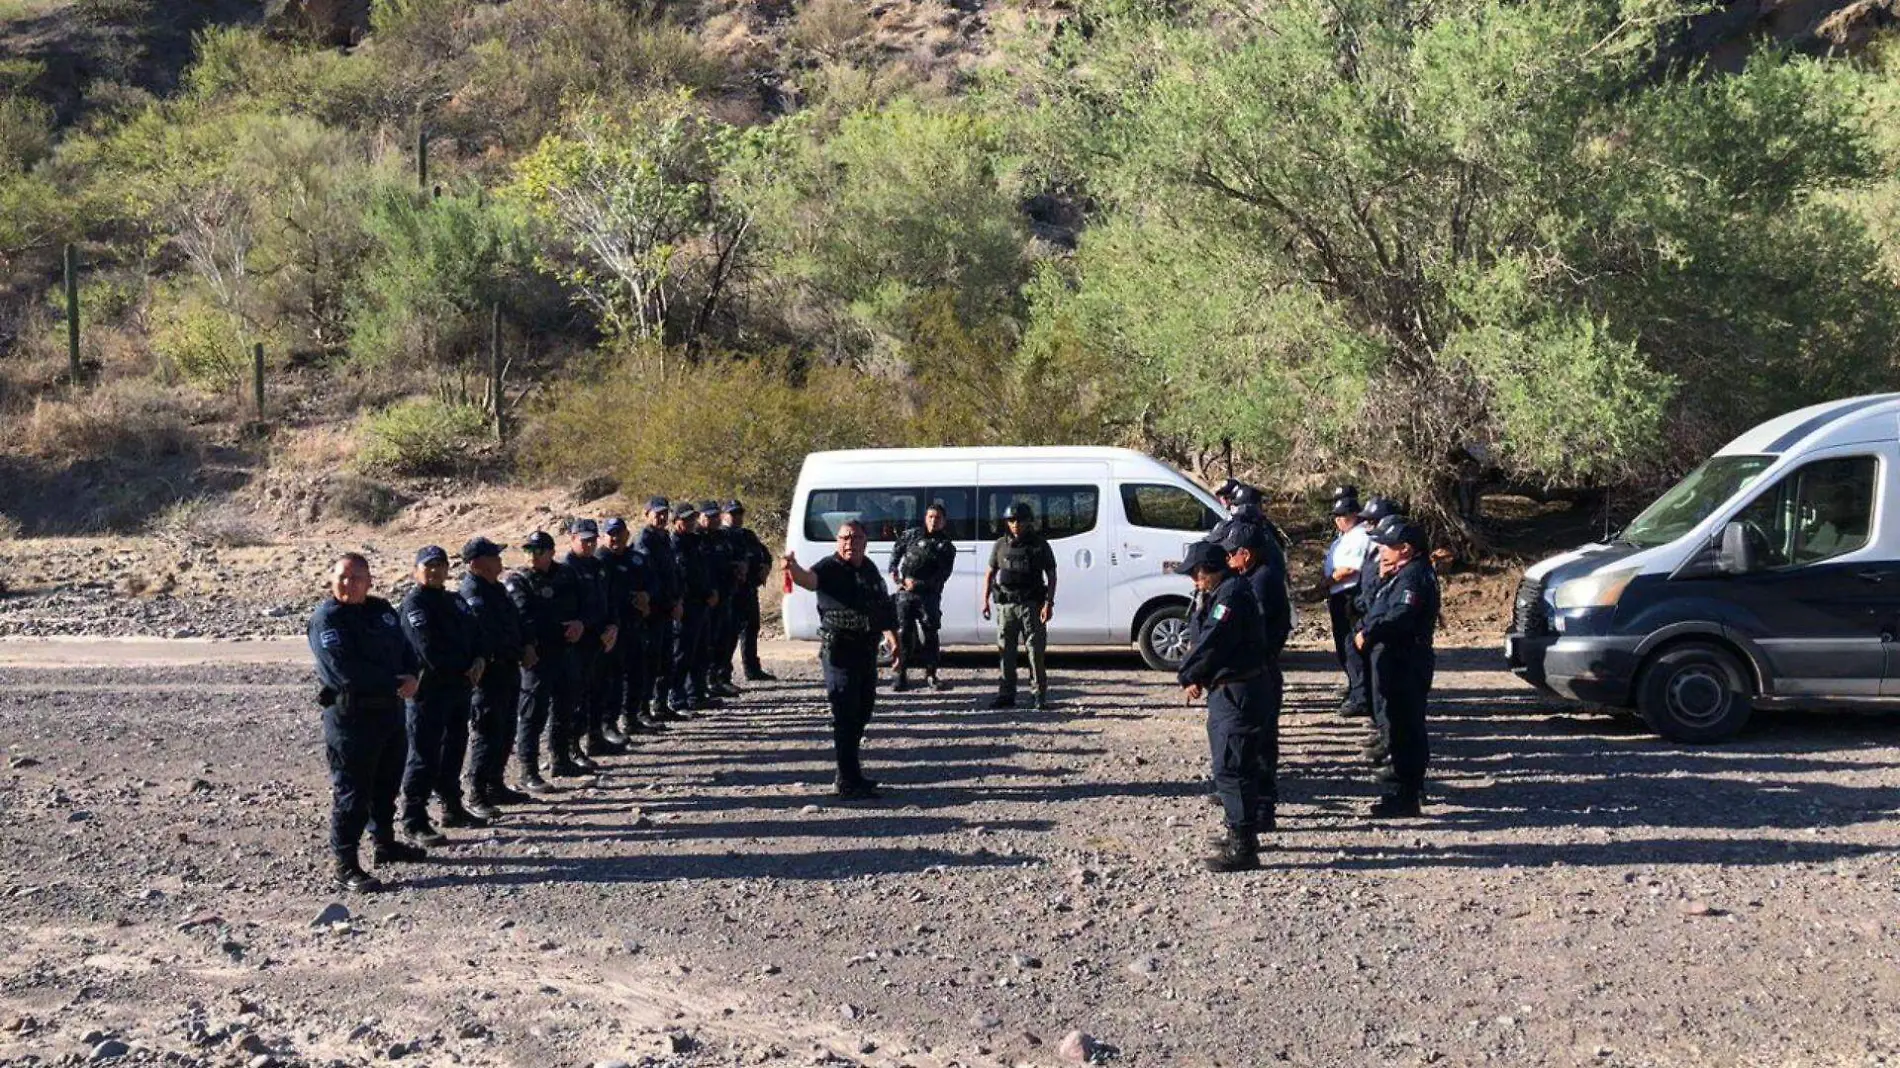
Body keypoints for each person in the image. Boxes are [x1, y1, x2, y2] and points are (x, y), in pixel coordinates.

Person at [309, 553, 423, 892]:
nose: (349, 584)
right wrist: (393, 681)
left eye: (357, 577)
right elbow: (343, 671)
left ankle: (384, 844)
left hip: (389, 713)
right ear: (331, 579)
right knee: (352, 792)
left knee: (386, 785)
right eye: (343, 577)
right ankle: (344, 863)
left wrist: (413, 676)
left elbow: (407, 649)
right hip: (352, 718)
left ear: (369, 581)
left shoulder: (382, 611)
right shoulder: (327, 619)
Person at [1174, 540, 1274, 873]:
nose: (1193, 580)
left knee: (1234, 767)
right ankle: (1238, 832)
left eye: (1196, 573)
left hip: (1239, 691)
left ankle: (1243, 845)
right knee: (1228, 764)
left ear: (1210, 570)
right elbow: (1204, 639)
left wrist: (1188, 673)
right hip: (1227, 688)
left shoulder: (1231, 596)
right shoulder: (1221, 593)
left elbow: (1213, 641)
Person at [783, 520, 901, 799]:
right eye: (845, 538)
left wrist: (894, 640)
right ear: (838, 541)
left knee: (862, 711)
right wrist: (793, 568)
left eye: (856, 538)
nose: (850, 543)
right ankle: (847, 780)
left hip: (865, 651)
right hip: (840, 652)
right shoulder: (829, 567)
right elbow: (808, 580)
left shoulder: (869, 569)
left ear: (865, 542)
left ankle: (850, 773)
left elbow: (881, 606)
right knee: (845, 713)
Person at [398, 545, 485, 847]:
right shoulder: (415, 604)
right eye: (428, 566)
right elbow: (428, 649)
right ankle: (414, 819)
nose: (435, 571)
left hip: (460, 689)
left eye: (440, 565)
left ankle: (452, 807)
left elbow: (475, 633)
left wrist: (478, 659)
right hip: (430, 692)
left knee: (454, 749)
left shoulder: (454, 600)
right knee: (423, 755)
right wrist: (465, 666)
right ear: (416, 571)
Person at [1355, 516, 1441, 817]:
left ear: (1406, 548)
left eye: (1388, 546)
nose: (1382, 551)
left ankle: (1404, 794)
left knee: (1403, 726)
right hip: (1392, 659)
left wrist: (1371, 632)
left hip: (1405, 660)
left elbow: (1401, 615)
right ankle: (1403, 788)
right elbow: (1374, 603)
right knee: (1394, 722)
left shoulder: (1414, 576)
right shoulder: (1399, 572)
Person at [1217, 521, 1291, 831]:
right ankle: (1255, 801)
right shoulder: (1254, 577)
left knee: (1259, 743)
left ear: (1246, 554)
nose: (1227, 559)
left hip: (1260, 670)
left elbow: (1257, 631)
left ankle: (1262, 806)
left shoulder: (1260, 582)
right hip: (1259, 668)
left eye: (1231, 553)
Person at [459, 537, 534, 818]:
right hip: (489, 674)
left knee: (504, 730)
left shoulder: (496, 589)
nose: (499, 561)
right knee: (488, 732)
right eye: (493, 556)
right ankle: (477, 792)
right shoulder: (472, 592)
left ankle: (495, 784)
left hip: (508, 668)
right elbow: (483, 634)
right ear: (477, 563)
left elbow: (515, 621)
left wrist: (525, 645)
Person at [506, 531, 586, 788]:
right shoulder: (519, 580)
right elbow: (523, 617)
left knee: (566, 705)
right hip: (539, 654)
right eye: (528, 551)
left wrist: (579, 624)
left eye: (538, 551)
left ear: (551, 552)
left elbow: (583, 603)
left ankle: (560, 758)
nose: (532, 556)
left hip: (566, 650)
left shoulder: (566, 575)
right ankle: (528, 769)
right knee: (532, 713)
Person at [982, 502, 1058, 710]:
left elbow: (1051, 575)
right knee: (1005, 651)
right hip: (1006, 606)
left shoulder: (1039, 545)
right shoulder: (1000, 545)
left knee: (1035, 652)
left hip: (1031, 605)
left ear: (1028, 522)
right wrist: (985, 601)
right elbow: (990, 573)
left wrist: (1048, 603)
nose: (1015, 524)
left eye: (1020, 521)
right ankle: (1006, 694)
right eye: (1011, 520)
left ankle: (1038, 695)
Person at [1352, 496, 1405, 771]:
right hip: (1368, 618)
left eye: (1374, 522)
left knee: (1392, 702)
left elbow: (1390, 607)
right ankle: (1384, 737)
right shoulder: (1378, 550)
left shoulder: (1403, 562)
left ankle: (1391, 749)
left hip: (1392, 642)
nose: (1369, 527)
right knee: (1379, 692)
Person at [561, 518, 619, 765]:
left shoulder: (597, 565)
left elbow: (608, 599)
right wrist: (587, 624)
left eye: (592, 540)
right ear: (572, 539)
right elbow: (569, 609)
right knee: (577, 696)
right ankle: (572, 747)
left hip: (600, 637)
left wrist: (613, 625)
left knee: (599, 688)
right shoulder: (566, 569)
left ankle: (595, 738)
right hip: (580, 641)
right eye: (583, 540)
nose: (589, 544)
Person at [889, 503, 957, 692]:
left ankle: (931, 674)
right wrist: (893, 569)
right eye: (930, 517)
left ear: (944, 521)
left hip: (928, 596)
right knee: (903, 634)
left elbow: (942, 575)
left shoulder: (946, 546)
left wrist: (918, 584)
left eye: (938, 518)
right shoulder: (912, 535)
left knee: (930, 635)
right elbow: (897, 549)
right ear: (925, 518)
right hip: (905, 594)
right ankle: (900, 674)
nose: (933, 521)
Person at [600, 517, 656, 739]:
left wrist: (646, 596)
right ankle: (608, 725)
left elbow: (651, 581)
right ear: (604, 536)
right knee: (612, 680)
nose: (615, 538)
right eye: (611, 534)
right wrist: (632, 597)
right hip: (613, 629)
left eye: (619, 533)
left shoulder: (635, 558)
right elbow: (605, 595)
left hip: (636, 625)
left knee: (637, 673)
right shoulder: (601, 560)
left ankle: (631, 719)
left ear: (626, 534)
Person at [1323, 486, 1371, 716]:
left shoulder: (1360, 536)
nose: (1338, 521)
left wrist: (1323, 585)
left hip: (1350, 595)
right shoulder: (1346, 536)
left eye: (1342, 516)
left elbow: (1349, 569)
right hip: (1339, 594)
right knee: (1344, 645)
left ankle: (1361, 695)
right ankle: (1356, 688)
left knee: (1352, 647)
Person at [636, 498, 684, 723]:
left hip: (667, 609)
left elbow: (673, 573)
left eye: (665, 513)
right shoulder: (644, 541)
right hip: (653, 610)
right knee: (649, 663)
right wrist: (666, 602)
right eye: (657, 513)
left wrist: (677, 600)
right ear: (646, 514)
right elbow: (650, 578)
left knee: (666, 660)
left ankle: (661, 705)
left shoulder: (665, 538)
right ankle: (642, 710)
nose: (662, 517)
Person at [668, 502, 716, 713]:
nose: (689, 523)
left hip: (702, 604)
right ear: (675, 521)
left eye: (691, 519)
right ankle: (676, 699)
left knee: (700, 651)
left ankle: (696, 694)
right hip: (686, 605)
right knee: (682, 654)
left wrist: (711, 591)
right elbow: (682, 576)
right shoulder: (674, 544)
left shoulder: (696, 541)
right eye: (684, 519)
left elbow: (704, 570)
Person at [723, 501, 776, 683]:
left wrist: (766, 567)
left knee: (751, 629)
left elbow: (765, 554)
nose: (737, 517)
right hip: (731, 593)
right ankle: (722, 674)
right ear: (724, 515)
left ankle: (752, 668)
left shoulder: (747, 535)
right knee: (729, 634)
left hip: (749, 590)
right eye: (732, 514)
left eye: (739, 513)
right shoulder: (722, 536)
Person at [698, 500, 743, 698]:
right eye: (710, 516)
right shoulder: (698, 539)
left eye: (716, 516)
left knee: (724, 640)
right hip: (708, 599)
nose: (714, 520)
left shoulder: (721, 537)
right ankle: (706, 681)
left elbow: (729, 559)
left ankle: (719, 678)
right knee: (707, 643)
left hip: (726, 595)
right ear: (701, 517)